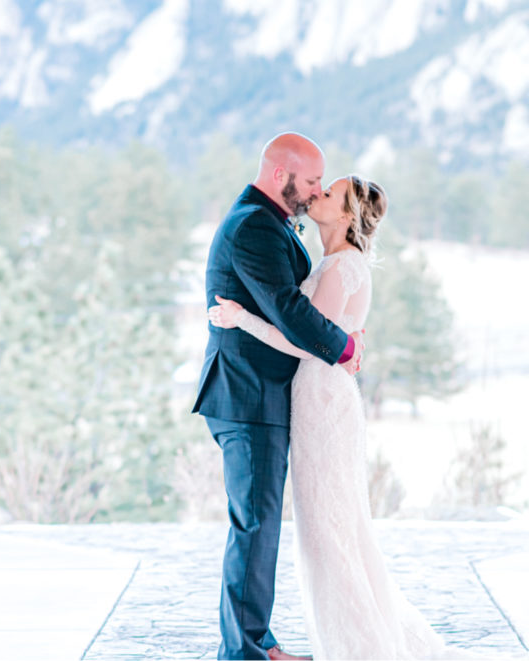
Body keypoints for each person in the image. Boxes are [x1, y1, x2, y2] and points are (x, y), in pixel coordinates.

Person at [209, 176, 469, 660]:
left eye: (328, 193)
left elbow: (306, 338)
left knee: (330, 529)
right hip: (318, 395)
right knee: (330, 524)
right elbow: (320, 331)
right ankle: (346, 639)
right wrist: (345, 342)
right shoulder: (329, 262)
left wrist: (239, 318)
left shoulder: (341, 267)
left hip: (323, 400)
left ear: (348, 215)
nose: (317, 195)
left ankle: (356, 645)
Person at [193, 132, 365, 661]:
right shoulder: (253, 228)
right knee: (255, 524)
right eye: (311, 180)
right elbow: (288, 309)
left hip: (261, 394)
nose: (315, 192)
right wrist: (344, 348)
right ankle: (244, 652)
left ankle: (257, 641)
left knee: (260, 522)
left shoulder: (268, 220)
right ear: (279, 175)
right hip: (247, 397)